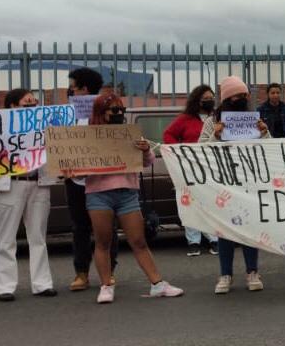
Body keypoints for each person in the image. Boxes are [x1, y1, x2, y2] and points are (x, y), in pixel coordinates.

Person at [85, 92, 183, 303]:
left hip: (127, 193)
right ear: (102, 113)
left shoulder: (129, 133)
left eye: (121, 110)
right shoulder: (88, 136)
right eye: (114, 110)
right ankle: (106, 285)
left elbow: (147, 162)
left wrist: (146, 150)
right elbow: (79, 168)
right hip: (99, 194)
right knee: (103, 241)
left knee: (138, 241)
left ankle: (157, 284)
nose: (119, 113)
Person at [0, 89, 57, 301]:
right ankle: (4, 287)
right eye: (25, 100)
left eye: (33, 100)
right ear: (11, 106)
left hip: (38, 183)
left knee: (38, 236)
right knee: (5, 237)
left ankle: (42, 284)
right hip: (10, 186)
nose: (31, 101)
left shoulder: (44, 125)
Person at [200, 76, 272, 292]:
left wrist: (264, 132)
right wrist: (216, 135)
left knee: (250, 229)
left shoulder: (253, 119)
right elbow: (200, 149)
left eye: (244, 95)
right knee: (224, 231)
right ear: (228, 98)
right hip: (222, 184)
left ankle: (252, 272)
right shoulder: (212, 121)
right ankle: (225, 275)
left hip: (248, 181)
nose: (242, 98)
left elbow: (270, 149)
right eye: (237, 95)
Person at [65, 66, 118, 291]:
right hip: (75, 180)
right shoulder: (66, 114)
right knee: (80, 227)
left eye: (72, 87)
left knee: (106, 228)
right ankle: (82, 273)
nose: (70, 92)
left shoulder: (107, 111)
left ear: (84, 89)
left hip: (101, 180)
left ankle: (109, 271)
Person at [164, 84, 219, 257]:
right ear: (197, 100)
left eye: (211, 98)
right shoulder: (185, 119)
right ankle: (193, 241)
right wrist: (180, 152)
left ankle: (214, 239)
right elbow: (168, 135)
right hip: (189, 167)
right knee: (190, 203)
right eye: (206, 98)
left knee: (211, 203)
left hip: (212, 168)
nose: (209, 101)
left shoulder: (217, 117)